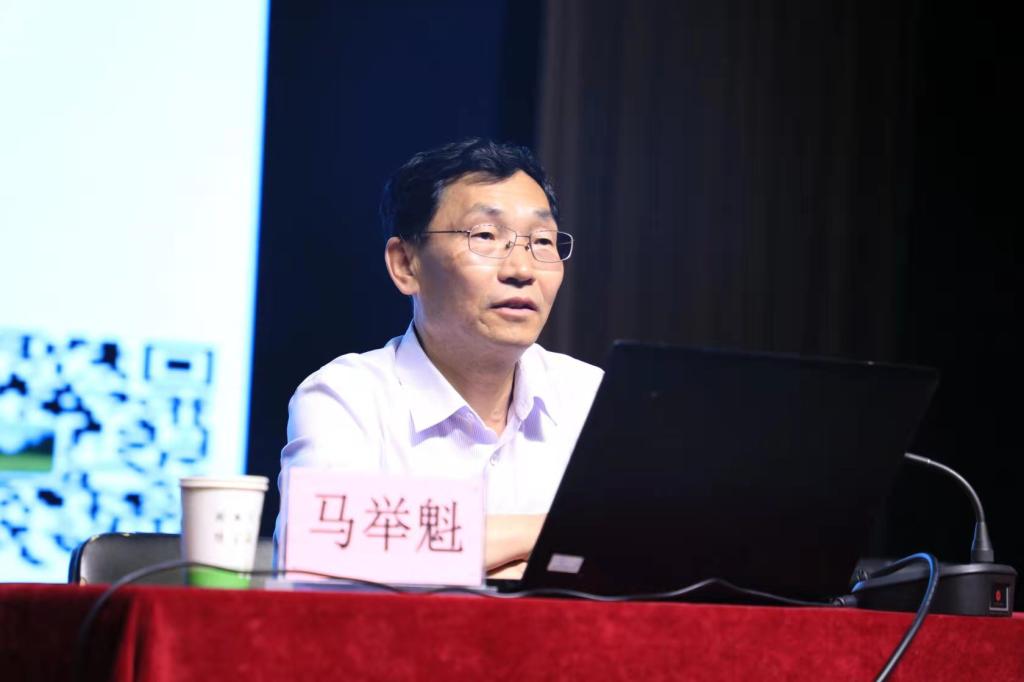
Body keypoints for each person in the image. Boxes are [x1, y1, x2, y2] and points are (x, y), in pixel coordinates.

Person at [277, 138, 603, 577]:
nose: (522, 270)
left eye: (542, 241)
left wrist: (434, 563)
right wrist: (549, 532)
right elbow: (324, 557)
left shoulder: (591, 397)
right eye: (485, 236)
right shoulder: (346, 397)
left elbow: (644, 558)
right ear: (405, 264)